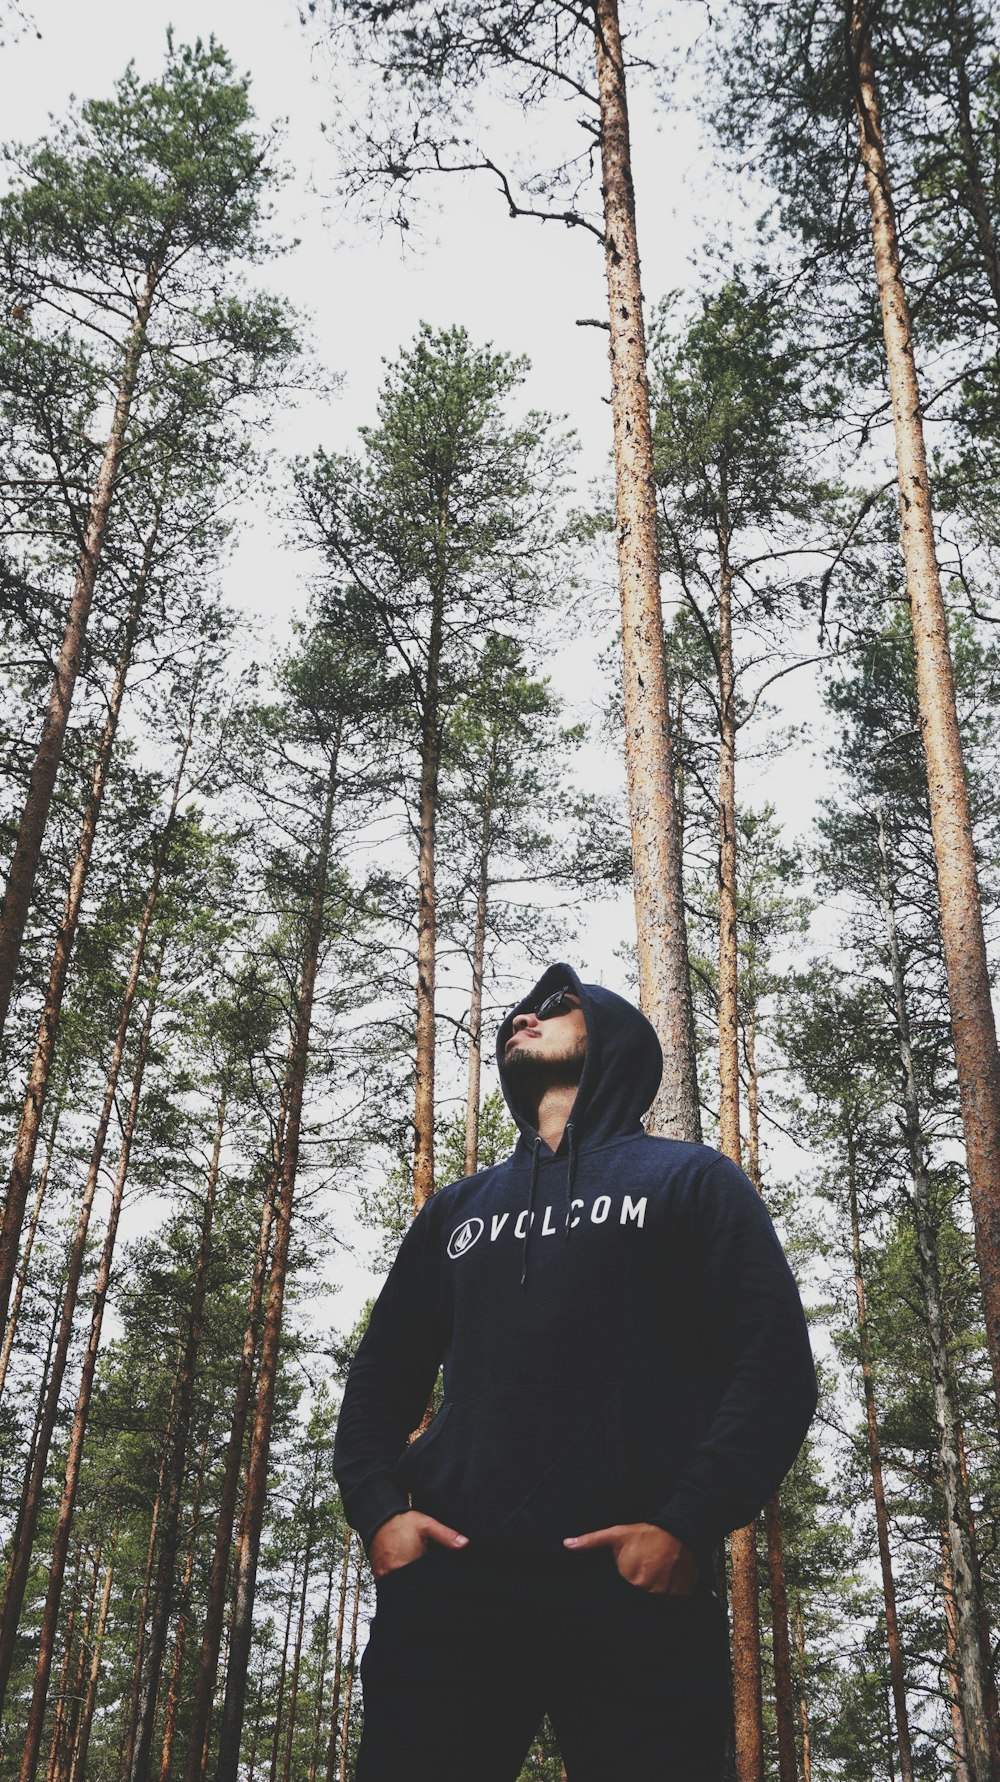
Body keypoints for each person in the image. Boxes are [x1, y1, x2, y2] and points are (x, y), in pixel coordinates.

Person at [333, 963, 818, 1781]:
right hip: (453, 1587)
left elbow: (772, 1365)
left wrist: (686, 1524)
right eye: (522, 1008)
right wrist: (381, 1512)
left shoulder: (691, 1179)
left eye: (559, 1006)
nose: (527, 1014)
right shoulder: (458, 1209)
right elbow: (383, 1372)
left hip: (634, 1585)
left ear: (616, 1040)